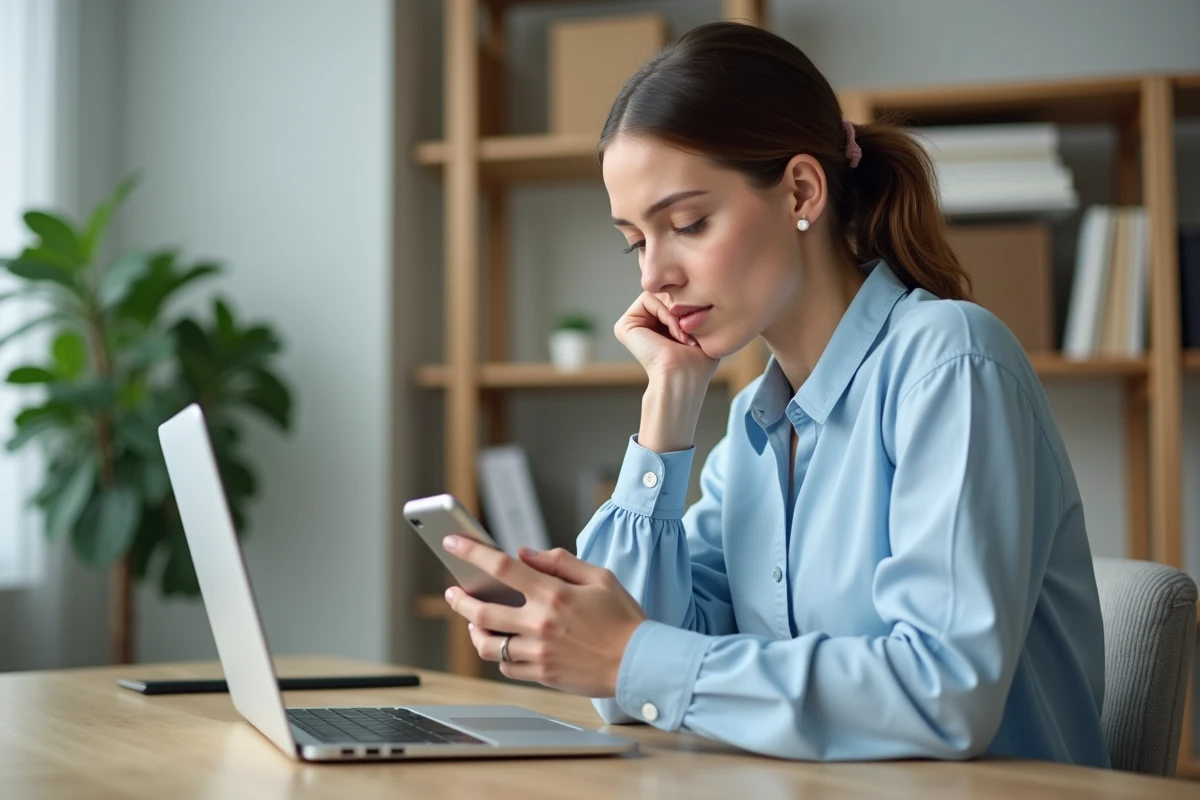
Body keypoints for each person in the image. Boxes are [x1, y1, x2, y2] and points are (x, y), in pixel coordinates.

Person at [441, 21, 1108, 766]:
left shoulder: (949, 363)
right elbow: (624, 690)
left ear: (801, 189)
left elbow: (943, 693)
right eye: (635, 240)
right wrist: (666, 407)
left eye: (687, 223)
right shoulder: (753, 436)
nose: (651, 275)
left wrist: (630, 657)